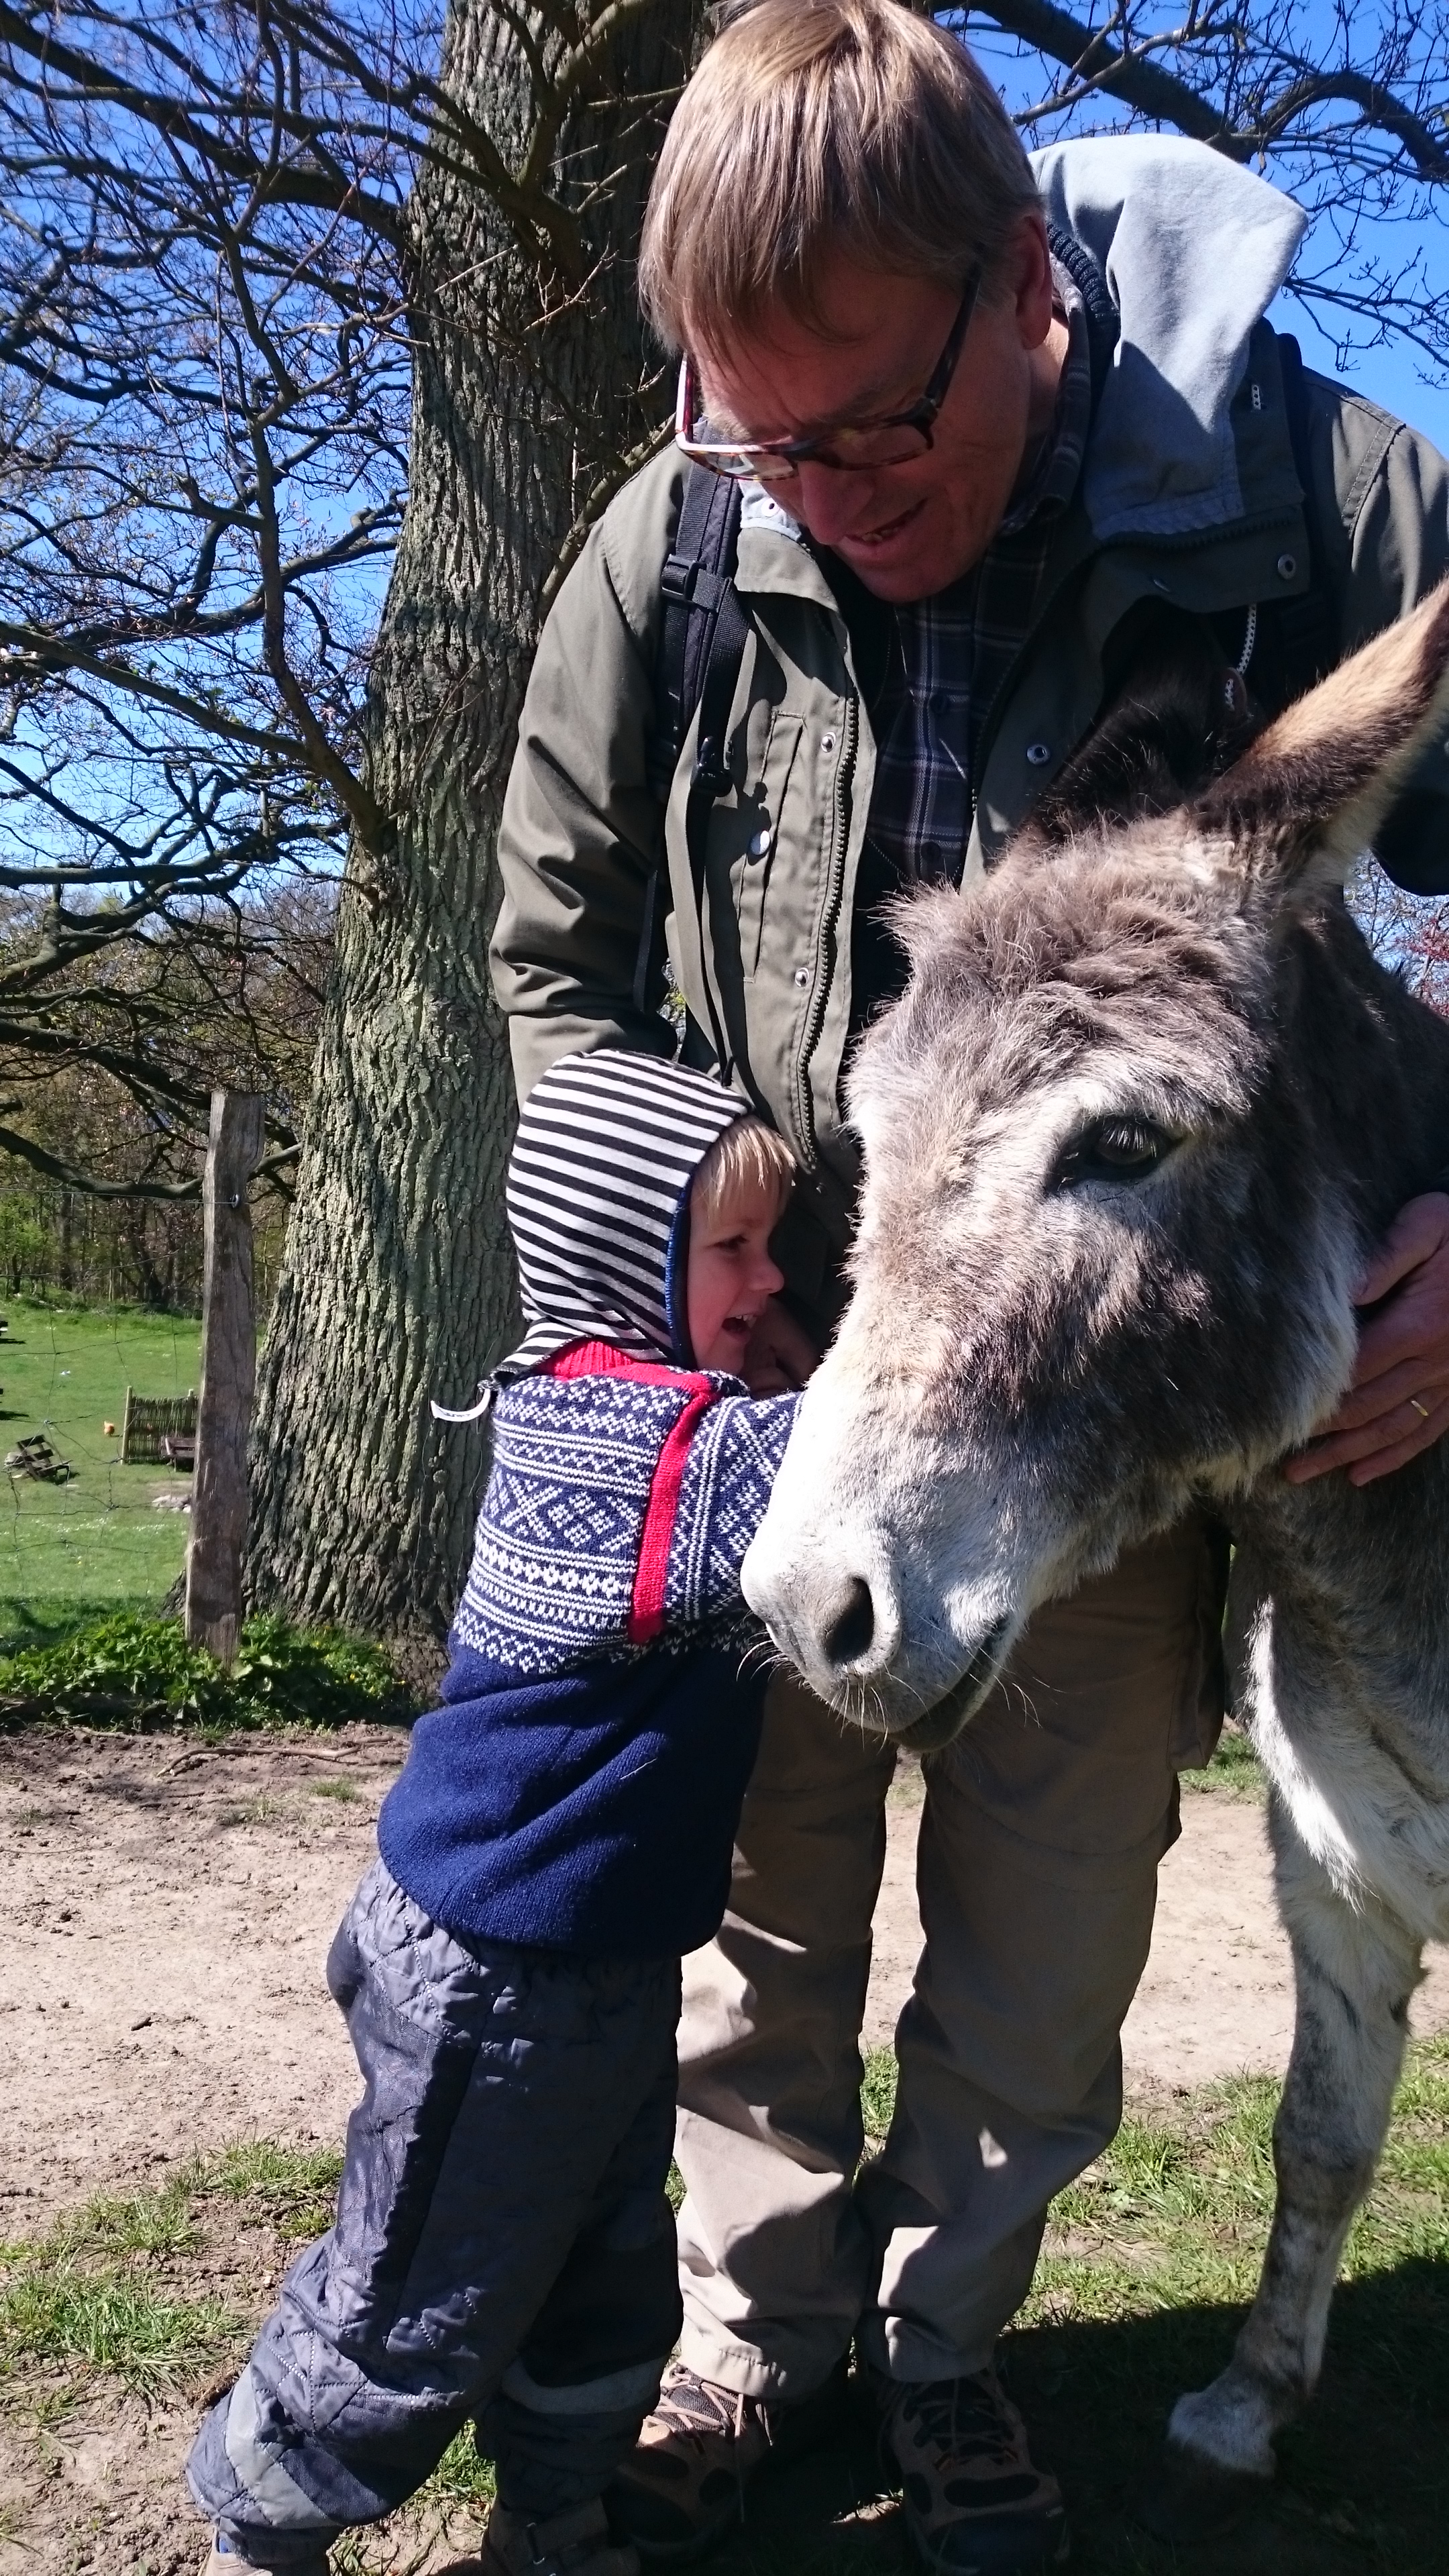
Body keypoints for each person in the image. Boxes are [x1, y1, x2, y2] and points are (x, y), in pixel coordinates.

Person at [489, 3, 1449, 2569]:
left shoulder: (1329, 496)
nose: (819, 494)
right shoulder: (668, 543)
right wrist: (679, 1160)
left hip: (1102, 1409)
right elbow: (547, 963)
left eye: (874, 432)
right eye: (752, 434)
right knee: (761, 1899)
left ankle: (952, 2344)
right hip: (786, 1367)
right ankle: (752, 2326)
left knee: (1051, 1918)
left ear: (1025, 283)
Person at [184, 1049, 804, 2576]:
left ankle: (557, 2512)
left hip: (590, 1964)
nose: (770, 1274)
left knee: (603, 2281)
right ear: (622, 1251)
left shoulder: (651, 1404)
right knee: (418, 2289)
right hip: (490, 1975)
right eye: (732, 1247)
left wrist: (766, 1330)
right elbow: (869, 1450)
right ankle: (259, 2532)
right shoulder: (638, 1437)